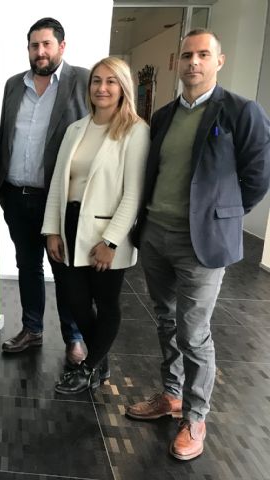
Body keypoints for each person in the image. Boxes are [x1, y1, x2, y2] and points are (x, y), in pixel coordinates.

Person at [125, 29, 270, 461]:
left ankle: (196, 415)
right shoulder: (165, 115)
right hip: (155, 234)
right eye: (187, 55)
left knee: (194, 330)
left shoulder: (242, 112)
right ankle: (171, 396)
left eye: (203, 55)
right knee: (166, 320)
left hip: (200, 244)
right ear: (177, 62)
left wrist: (223, 216)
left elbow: (258, 176)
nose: (194, 62)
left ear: (218, 61)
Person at [42, 57, 149, 394]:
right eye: (96, 81)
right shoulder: (77, 127)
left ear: (123, 88)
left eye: (111, 82)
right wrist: (52, 230)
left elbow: (133, 193)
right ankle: (98, 361)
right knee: (74, 300)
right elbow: (60, 183)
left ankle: (88, 368)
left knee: (106, 304)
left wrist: (112, 241)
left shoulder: (135, 130)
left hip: (106, 232)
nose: (102, 88)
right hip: (70, 225)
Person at [0, 18, 89, 363]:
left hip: (58, 197)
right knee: (28, 266)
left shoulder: (84, 80)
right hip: (17, 195)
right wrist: (2, 190)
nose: (40, 51)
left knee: (64, 269)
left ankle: (74, 336)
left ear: (62, 46)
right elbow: (7, 137)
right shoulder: (14, 85)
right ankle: (32, 329)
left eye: (47, 44)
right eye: (34, 45)